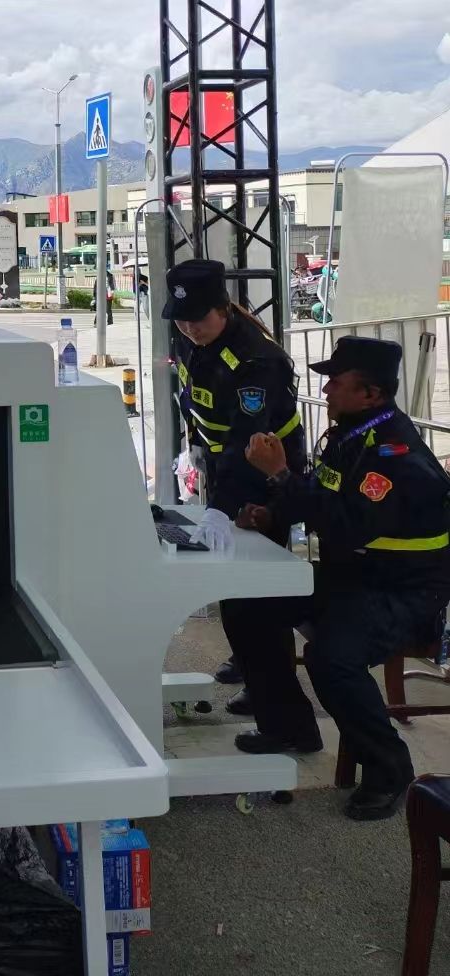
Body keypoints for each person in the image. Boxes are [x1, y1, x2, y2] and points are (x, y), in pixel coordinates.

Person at [234, 337, 450, 820]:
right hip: (354, 574)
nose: (326, 389)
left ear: (371, 394)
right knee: (252, 604)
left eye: (336, 381)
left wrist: (280, 475)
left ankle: (389, 769)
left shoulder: (393, 454)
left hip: (403, 587)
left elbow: (348, 524)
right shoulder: (352, 435)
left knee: (333, 659)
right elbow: (323, 495)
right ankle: (289, 724)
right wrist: (272, 513)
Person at [163, 258, 305, 708]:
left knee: (259, 586)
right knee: (232, 582)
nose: (190, 329)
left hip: (265, 470)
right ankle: (248, 661)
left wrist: (220, 509)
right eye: (182, 320)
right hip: (223, 461)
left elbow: (248, 442)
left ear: (222, 309)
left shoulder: (256, 359)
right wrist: (194, 447)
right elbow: (193, 394)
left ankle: (271, 688)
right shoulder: (191, 336)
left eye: (198, 319)